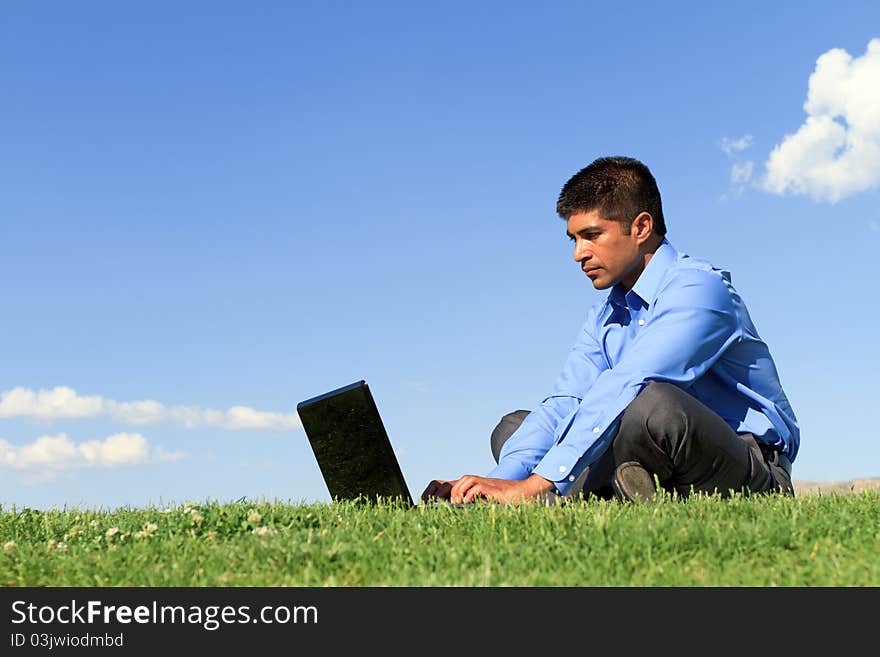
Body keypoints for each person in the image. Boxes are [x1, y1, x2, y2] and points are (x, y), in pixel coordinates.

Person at [421, 156, 799, 505]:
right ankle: (619, 488)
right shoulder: (606, 314)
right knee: (515, 428)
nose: (578, 253)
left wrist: (535, 483)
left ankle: (570, 494)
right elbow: (566, 401)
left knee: (652, 405)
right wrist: (492, 485)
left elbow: (630, 383)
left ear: (641, 227)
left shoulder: (700, 290)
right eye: (573, 239)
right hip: (647, 446)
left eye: (591, 235)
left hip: (742, 460)